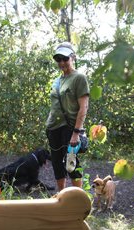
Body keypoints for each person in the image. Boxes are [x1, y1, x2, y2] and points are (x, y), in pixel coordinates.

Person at [46, 42, 90, 192]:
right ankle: (61, 197)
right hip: (53, 128)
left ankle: (78, 199)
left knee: (71, 164)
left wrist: (76, 133)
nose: (62, 62)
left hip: (70, 128)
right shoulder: (57, 81)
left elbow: (83, 107)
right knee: (57, 164)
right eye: (58, 59)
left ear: (72, 57)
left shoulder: (79, 78)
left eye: (65, 58)